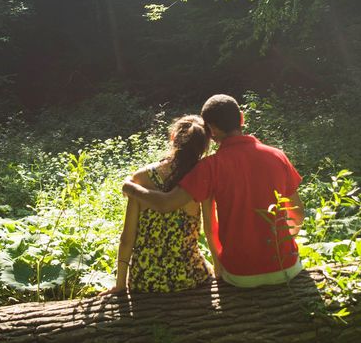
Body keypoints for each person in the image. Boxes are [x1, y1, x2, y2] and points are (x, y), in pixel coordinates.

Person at [123, 94, 304, 287]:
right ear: (242, 118)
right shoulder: (277, 156)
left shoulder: (211, 166)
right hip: (287, 268)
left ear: (211, 130)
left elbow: (166, 204)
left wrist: (130, 188)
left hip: (240, 275)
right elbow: (298, 214)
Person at [114, 114, 216, 292]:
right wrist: (220, 271)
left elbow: (127, 239)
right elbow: (210, 231)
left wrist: (120, 285)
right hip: (189, 276)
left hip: (144, 280)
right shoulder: (202, 179)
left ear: (172, 138)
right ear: (204, 146)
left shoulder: (140, 178)